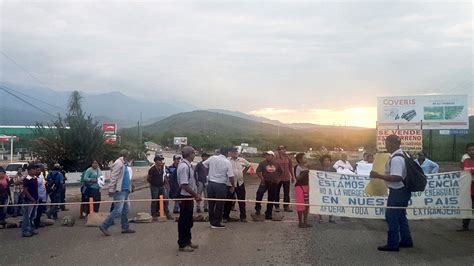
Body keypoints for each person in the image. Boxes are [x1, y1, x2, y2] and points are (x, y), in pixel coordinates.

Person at [370, 134, 413, 252]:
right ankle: (406, 240)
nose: (386, 146)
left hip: (398, 191)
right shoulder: (404, 154)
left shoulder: (396, 159)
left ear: (391, 144)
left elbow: (397, 177)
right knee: (401, 216)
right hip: (404, 190)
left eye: (386, 143)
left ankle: (393, 244)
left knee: (391, 217)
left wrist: (378, 176)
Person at [99, 149, 135, 236]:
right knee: (118, 210)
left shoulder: (124, 164)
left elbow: (126, 177)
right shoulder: (118, 163)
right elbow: (113, 177)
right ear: (124, 156)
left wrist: (130, 186)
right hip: (120, 190)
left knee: (126, 209)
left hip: (125, 190)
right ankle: (104, 225)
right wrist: (111, 189)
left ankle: (125, 227)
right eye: (128, 155)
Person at [177, 146, 202, 252]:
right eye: (193, 153)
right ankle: (182, 244)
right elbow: (184, 185)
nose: (194, 155)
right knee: (184, 221)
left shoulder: (188, 165)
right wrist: (196, 195)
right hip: (185, 196)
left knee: (189, 221)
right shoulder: (184, 167)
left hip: (189, 196)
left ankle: (188, 241)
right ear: (189, 154)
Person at [204, 147, 235, 229]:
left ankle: (211, 221)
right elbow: (231, 176)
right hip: (220, 185)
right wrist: (233, 185)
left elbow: (203, 165)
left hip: (210, 184)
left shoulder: (212, 158)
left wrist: (207, 174)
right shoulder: (227, 162)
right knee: (219, 204)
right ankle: (216, 222)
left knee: (211, 203)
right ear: (227, 153)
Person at [224, 147, 251, 223]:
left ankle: (243, 217)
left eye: (236, 151)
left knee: (241, 201)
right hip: (229, 184)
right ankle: (225, 217)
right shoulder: (227, 160)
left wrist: (243, 173)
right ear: (230, 153)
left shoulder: (242, 160)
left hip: (240, 183)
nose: (235, 153)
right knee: (228, 201)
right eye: (233, 152)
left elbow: (248, 165)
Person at [255, 151, 283, 220]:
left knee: (271, 198)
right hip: (265, 182)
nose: (267, 156)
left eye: (269, 155)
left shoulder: (277, 164)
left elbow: (281, 171)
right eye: (267, 155)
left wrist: (278, 179)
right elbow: (258, 171)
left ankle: (268, 213)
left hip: (273, 182)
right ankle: (258, 208)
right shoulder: (262, 163)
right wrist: (261, 178)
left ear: (273, 156)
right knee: (259, 194)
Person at [147, 154, 173, 220]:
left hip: (161, 185)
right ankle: (154, 213)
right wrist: (152, 183)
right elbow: (148, 178)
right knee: (155, 200)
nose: (161, 161)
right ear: (156, 161)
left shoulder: (162, 168)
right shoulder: (152, 169)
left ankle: (167, 213)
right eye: (160, 160)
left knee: (165, 199)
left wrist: (166, 183)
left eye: (161, 160)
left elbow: (164, 176)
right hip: (154, 186)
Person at [274, 145, 295, 212]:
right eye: (280, 149)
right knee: (276, 192)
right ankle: (276, 207)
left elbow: (290, 168)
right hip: (277, 178)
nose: (282, 150)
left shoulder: (288, 158)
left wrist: (292, 177)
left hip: (286, 178)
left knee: (286, 193)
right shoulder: (275, 158)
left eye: (283, 149)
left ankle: (286, 206)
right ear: (278, 150)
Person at [458, 143, 474, 231]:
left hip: (470, 185)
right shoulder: (465, 158)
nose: (472, 152)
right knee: (467, 204)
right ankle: (465, 225)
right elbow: (468, 169)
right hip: (468, 186)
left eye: (473, 150)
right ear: (467, 151)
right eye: (470, 150)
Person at [293, 153, 312, 228]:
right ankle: (300, 222)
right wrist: (305, 172)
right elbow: (297, 178)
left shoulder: (306, 167)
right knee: (301, 204)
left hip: (307, 186)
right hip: (300, 187)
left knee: (306, 205)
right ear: (300, 160)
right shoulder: (297, 167)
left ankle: (305, 221)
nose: (305, 159)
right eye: (304, 158)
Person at [22, 164, 39, 237]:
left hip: (35, 199)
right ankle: (26, 230)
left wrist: (36, 199)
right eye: (33, 169)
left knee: (33, 215)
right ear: (29, 170)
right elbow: (25, 190)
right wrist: (31, 198)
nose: (35, 170)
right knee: (27, 216)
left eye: (35, 169)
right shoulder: (26, 179)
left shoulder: (35, 178)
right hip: (29, 200)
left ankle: (31, 229)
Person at [318, 154, 336, 223]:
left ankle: (331, 217)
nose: (327, 161)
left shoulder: (333, 169)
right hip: (321, 189)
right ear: (322, 162)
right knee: (320, 202)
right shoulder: (319, 169)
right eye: (325, 160)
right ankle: (320, 217)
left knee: (331, 203)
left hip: (331, 189)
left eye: (328, 160)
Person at [34, 164, 47, 229]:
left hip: (42, 196)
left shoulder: (40, 177)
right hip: (37, 197)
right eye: (38, 170)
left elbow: (43, 185)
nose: (40, 171)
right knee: (35, 212)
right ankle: (35, 224)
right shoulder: (34, 178)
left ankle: (38, 222)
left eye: (40, 170)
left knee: (39, 211)